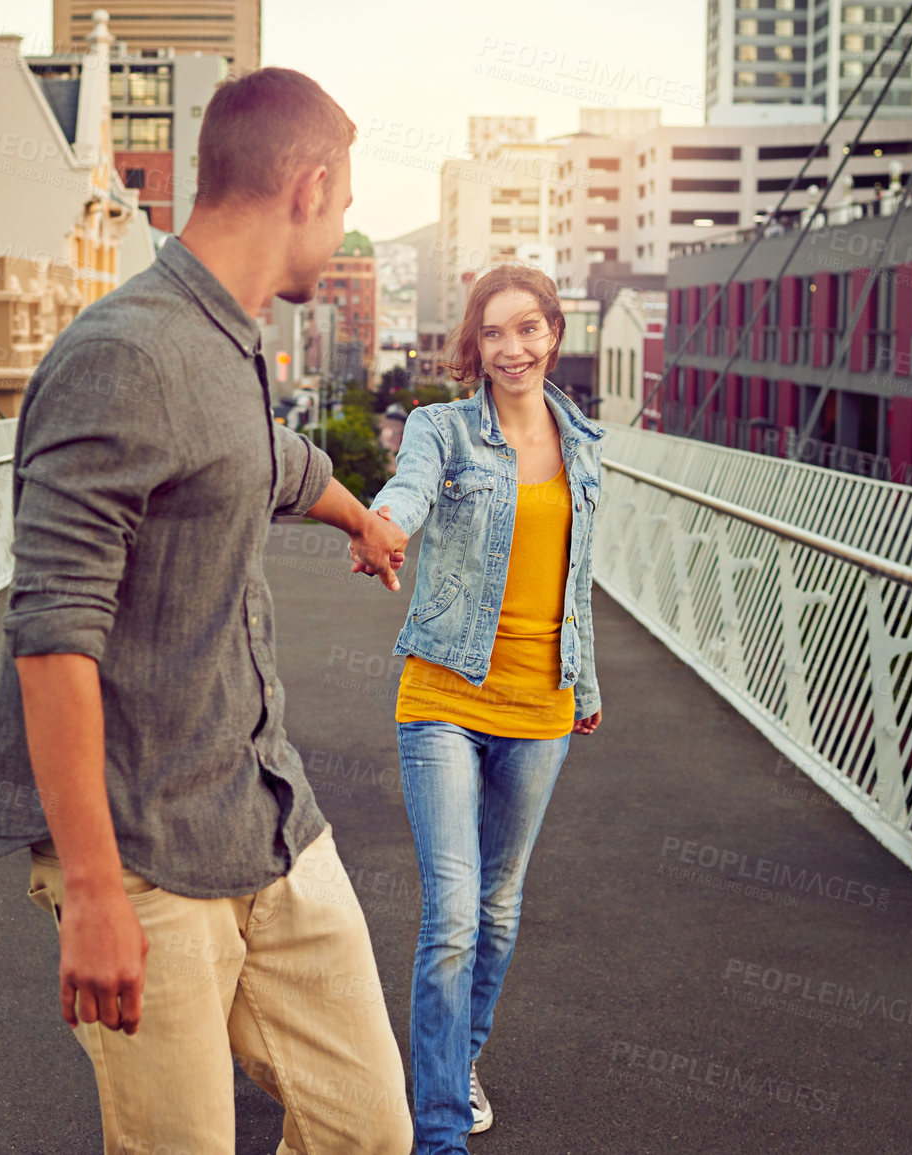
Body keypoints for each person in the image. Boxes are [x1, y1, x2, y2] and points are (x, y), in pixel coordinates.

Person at [0, 67, 413, 1155]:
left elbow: (268, 462)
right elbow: (53, 631)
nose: (344, 221)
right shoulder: (125, 356)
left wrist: (359, 518)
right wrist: (90, 892)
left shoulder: (230, 343)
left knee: (369, 1129)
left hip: (264, 811)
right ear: (308, 188)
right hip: (143, 851)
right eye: (348, 201)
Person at [365, 263, 606, 1153]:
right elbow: (409, 491)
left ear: (552, 333)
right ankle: (436, 1132)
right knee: (455, 910)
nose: (512, 348)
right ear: (476, 342)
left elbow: (574, 581)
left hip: (541, 701)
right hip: (443, 693)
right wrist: (383, 526)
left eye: (528, 328)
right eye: (494, 332)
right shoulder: (440, 429)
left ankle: (454, 1061)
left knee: (500, 908)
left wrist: (585, 686)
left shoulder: (583, 442)